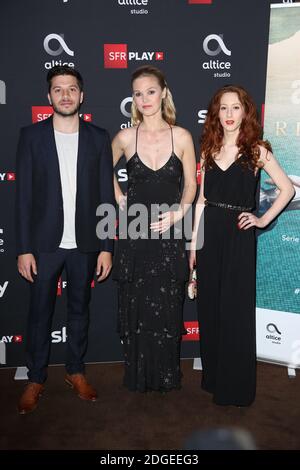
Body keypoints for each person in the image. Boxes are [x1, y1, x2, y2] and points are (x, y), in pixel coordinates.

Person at [15, 65, 115, 414]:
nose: (66, 95)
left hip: (86, 244)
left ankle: (75, 371)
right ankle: (36, 377)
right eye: (58, 89)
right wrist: (24, 247)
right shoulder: (31, 136)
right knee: (39, 313)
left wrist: (106, 246)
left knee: (79, 311)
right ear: (49, 96)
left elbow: (106, 196)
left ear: (81, 95)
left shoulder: (99, 137)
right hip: (44, 244)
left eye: (71, 89)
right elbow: (23, 197)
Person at [189, 85, 294, 406]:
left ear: (245, 112)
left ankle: (234, 388)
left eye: (236, 108)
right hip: (210, 234)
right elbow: (202, 202)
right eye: (223, 108)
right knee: (210, 310)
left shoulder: (257, 150)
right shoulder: (209, 148)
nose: (230, 114)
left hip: (238, 235)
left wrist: (262, 220)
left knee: (235, 311)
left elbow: (287, 189)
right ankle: (214, 378)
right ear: (216, 113)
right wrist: (193, 246)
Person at [112, 65, 196, 392]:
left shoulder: (183, 136)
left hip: (170, 233)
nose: (144, 98)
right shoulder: (124, 137)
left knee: (168, 307)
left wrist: (178, 214)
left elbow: (191, 185)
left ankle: (165, 376)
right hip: (135, 235)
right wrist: (117, 195)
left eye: (150, 91)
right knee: (135, 305)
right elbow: (94, 166)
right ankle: (137, 375)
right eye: (137, 93)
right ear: (132, 98)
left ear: (163, 92)